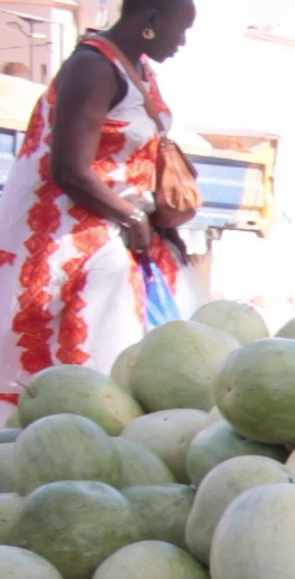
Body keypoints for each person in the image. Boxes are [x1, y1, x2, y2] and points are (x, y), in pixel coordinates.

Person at [0, 0, 198, 405]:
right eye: (180, 29)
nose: (182, 42)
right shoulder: (93, 68)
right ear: (151, 19)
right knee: (82, 379)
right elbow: (69, 169)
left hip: (122, 233)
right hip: (73, 242)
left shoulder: (139, 70)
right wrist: (131, 216)